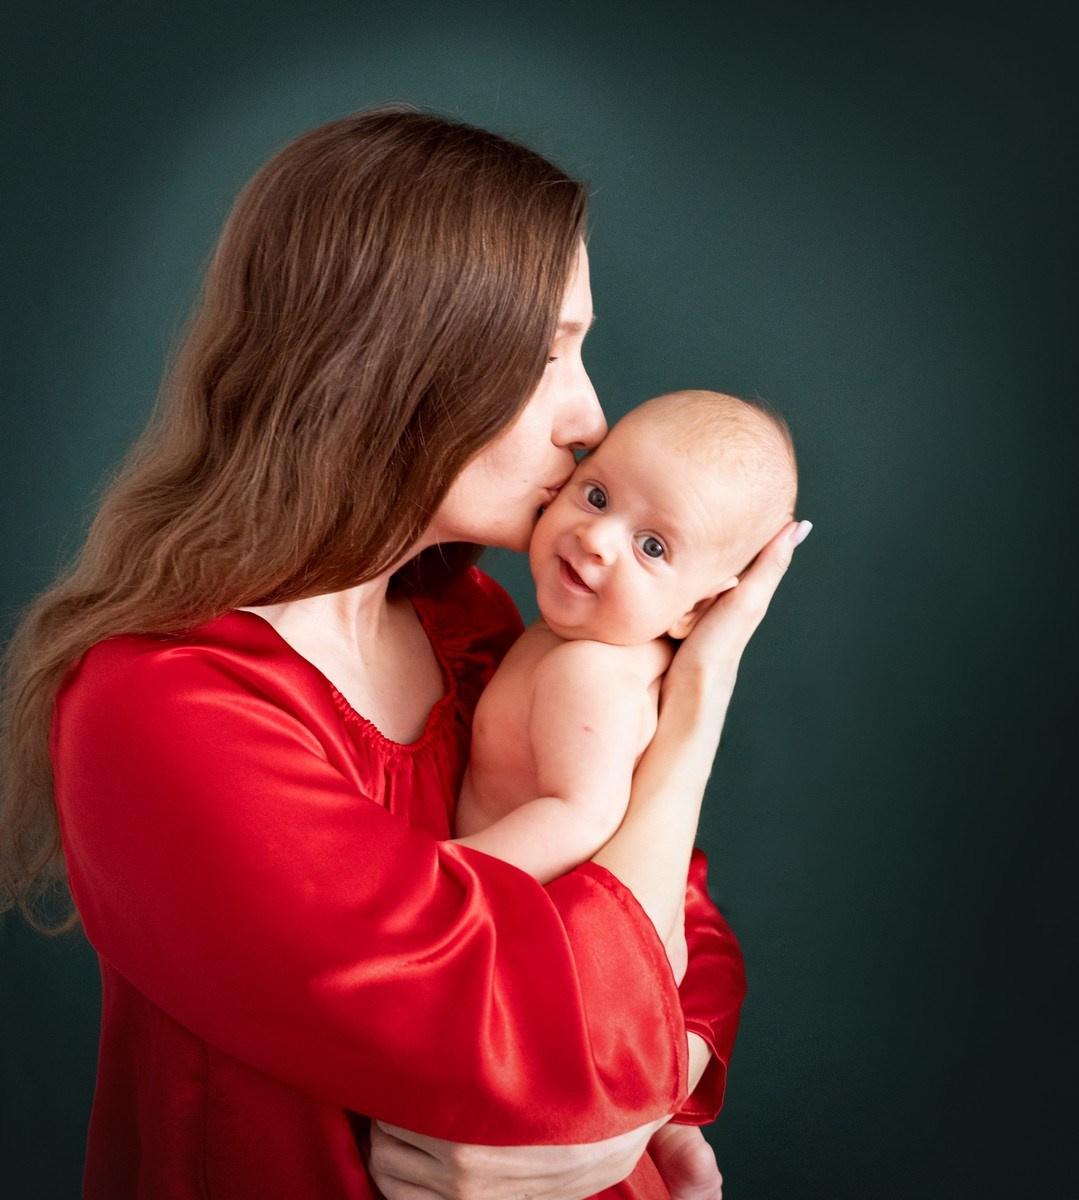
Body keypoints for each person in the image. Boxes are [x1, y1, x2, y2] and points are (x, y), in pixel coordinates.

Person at [0, 106, 808, 1200]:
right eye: (543, 354)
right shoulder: (166, 708)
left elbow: (681, 917)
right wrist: (606, 1089)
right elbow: (533, 1047)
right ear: (390, 365)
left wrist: (651, 1098)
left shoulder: (469, 625)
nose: (589, 417)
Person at [452, 389, 802, 1198]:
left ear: (697, 611)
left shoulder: (587, 671)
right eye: (597, 494)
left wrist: (438, 872)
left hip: (538, 975)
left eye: (652, 545)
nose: (598, 538)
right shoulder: (577, 643)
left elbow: (582, 815)